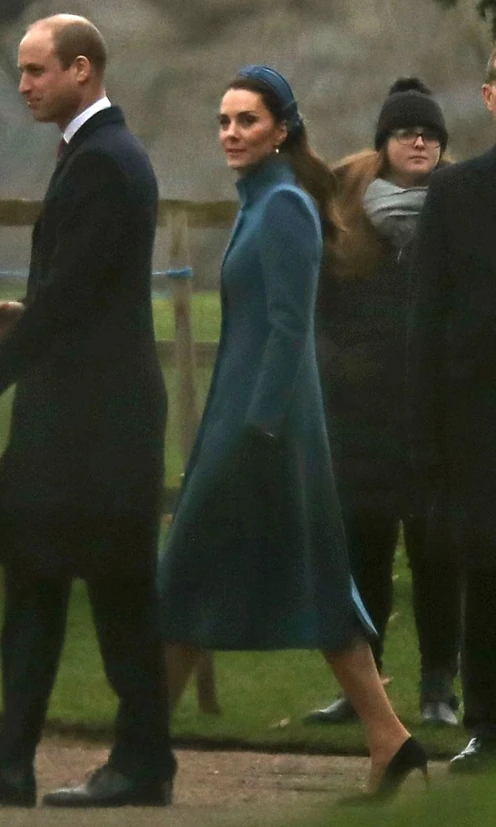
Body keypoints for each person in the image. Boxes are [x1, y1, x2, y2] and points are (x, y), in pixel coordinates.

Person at [0, 14, 175, 808]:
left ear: (82, 70)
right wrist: (27, 315)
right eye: (23, 70)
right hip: (77, 418)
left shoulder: (104, 161)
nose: (23, 85)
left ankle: (142, 762)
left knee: (118, 591)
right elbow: (83, 290)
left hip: (97, 424)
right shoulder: (95, 154)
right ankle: (11, 760)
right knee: (34, 583)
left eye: (37, 70)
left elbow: (74, 295)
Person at [159, 64, 427, 802]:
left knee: (183, 578)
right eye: (223, 121)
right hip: (251, 423)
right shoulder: (263, 201)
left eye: (246, 120)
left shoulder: (283, 207)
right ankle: (391, 740)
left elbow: (287, 329)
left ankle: (141, 752)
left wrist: (259, 427)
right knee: (315, 586)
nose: (231, 133)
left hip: (263, 431)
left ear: (281, 129)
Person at [305, 79, 460, 728]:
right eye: (405, 132)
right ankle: (362, 687)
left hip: (436, 417)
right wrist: (337, 367)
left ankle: (438, 688)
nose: (419, 142)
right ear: (384, 142)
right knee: (363, 553)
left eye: (429, 134)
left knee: (437, 557)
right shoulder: (346, 209)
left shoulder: (461, 206)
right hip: (360, 415)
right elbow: (320, 306)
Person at [409, 45, 496, 773]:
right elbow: (428, 318)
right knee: (487, 575)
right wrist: (431, 434)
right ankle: (489, 725)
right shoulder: (457, 192)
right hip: (479, 418)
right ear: (490, 96)